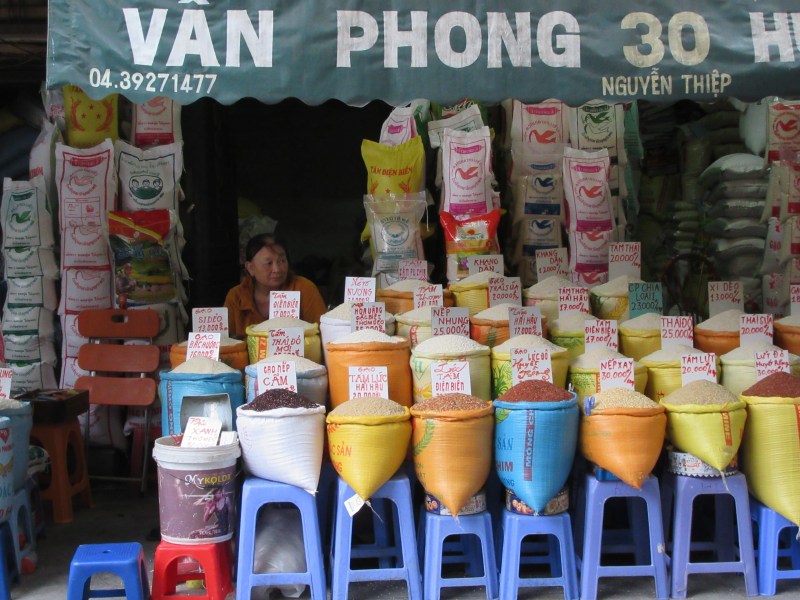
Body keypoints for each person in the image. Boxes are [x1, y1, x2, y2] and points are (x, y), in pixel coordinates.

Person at [224, 233, 327, 338]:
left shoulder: (304, 289)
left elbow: (323, 334)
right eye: (268, 263)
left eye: (282, 261)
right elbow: (226, 340)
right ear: (251, 268)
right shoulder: (236, 296)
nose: (277, 269)